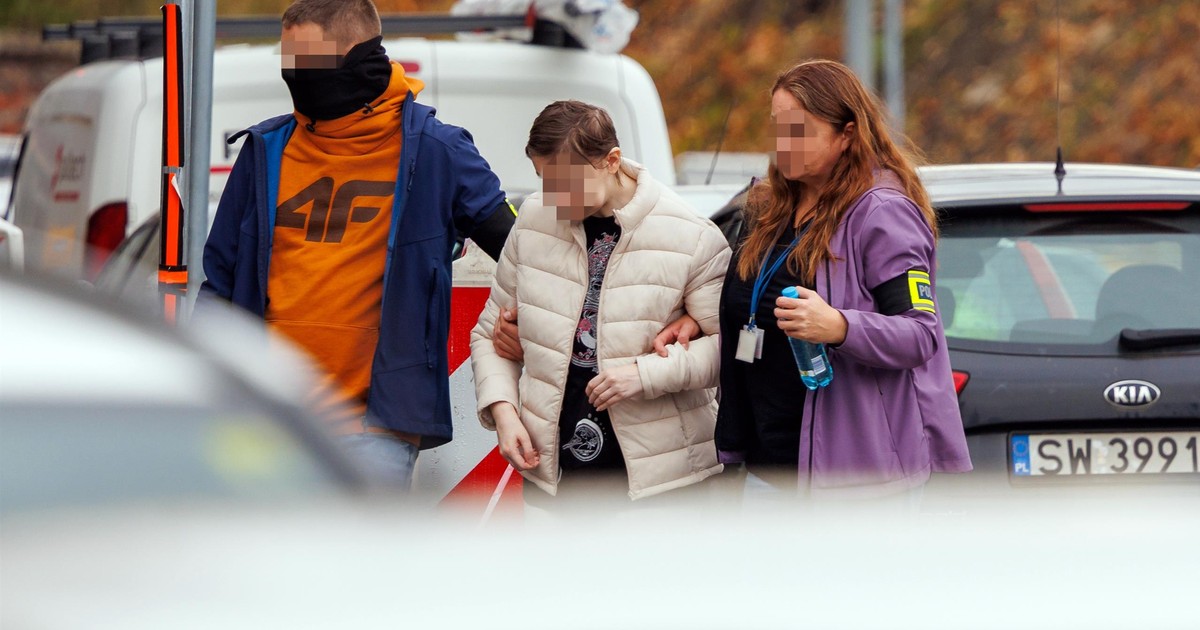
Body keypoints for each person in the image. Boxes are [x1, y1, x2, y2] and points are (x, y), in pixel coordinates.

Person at [197, 0, 515, 490]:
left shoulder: (436, 151)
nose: (297, 75)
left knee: (351, 567)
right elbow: (220, 283)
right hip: (262, 423)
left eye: (311, 62)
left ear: (361, 56)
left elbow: (524, 253)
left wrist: (526, 320)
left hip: (373, 430)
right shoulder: (265, 150)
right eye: (290, 62)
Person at [659, 60, 972, 500]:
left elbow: (920, 336)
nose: (782, 144)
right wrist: (702, 318)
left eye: (799, 130)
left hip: (853, 483)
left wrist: (840, 327)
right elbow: (754, 301)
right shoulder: (768, 207)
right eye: (777, 127)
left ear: (847, 135)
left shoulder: (881, 213)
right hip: (763, 471)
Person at [469, 100, 731, 510]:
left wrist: (644, 375)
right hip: (554, 474)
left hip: (663, 484)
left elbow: (727, 350)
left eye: (566, 184)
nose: (553, 198)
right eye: (543, 180)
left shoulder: (692, 236)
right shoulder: (533, 220)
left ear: (611, 161)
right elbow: (489, 333)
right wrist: (503, 414)